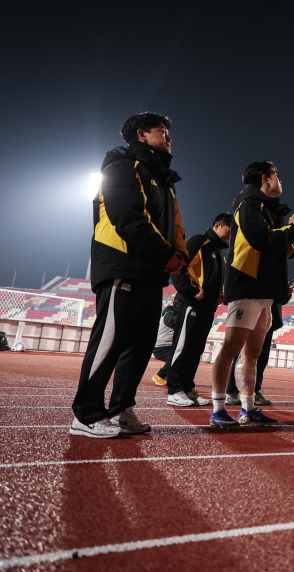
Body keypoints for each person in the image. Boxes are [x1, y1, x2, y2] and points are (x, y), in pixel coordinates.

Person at [70, 112, 187, 438]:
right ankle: (86, 414)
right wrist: (166, 255)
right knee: (109, 341)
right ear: (141, 134)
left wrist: (179, 257)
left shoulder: (164, 179)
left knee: (140, 345)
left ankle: (121, 410)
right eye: (162, 131)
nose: (168, 138)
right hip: (122, 264)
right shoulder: (122, 164)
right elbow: (128, 217)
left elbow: (176, 226)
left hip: (150, 270)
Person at [210, 160, 294, 428]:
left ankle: (247, 408)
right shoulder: (248, 205)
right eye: (276, 174)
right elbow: (261, 240)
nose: (280, 180)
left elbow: (283, 250)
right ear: (266, 178)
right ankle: (218, 409)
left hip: (264, 288)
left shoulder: (268, 210)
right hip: (247, 285)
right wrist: (292, 229)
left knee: (253, 352)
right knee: (231, 347)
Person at [165, 213, 231, 407]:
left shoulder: (217, 251)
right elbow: (179, 267)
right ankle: (174, 390)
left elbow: (212, 278)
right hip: (191, 304)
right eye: (228, 230)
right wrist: (191, 291)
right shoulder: (199, 242)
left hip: (207, 308)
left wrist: (219, 294)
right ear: (217, 225)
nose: (230, 235)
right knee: (183, 347)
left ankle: (187, 388)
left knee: (195, 350)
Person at [226, 302, 282, 406]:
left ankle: (255, 391)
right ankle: (231, 391)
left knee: (261, 357)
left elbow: (282, 299)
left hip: (268, 315)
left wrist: (285, 294)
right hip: (249, 312)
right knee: (241, 355)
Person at [151, 302, 178, 386]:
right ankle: (160, 376)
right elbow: (174, 321)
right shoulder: (169, 313)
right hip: (161, 347)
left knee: (181, 358)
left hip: (168, 346)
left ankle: (171, 378)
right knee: (176, 358)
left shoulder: (173, 313)